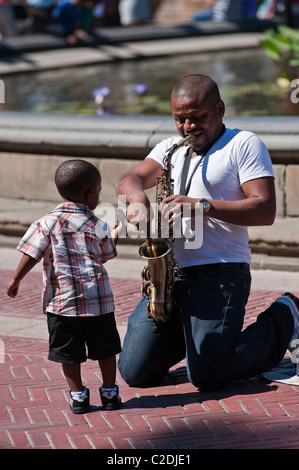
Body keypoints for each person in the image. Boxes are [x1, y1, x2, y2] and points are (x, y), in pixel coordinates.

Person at [115, 73, 299, 391]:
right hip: (170, 279)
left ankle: (287, 314)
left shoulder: (244, 144)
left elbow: (265, 209)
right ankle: (198, 338)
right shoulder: (170, 149)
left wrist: (201, 205)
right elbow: (129, 178)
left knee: (207, 375)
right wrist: (135, 200)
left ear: (220, 109)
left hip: (221, 273)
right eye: (180, 119)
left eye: (197, 118)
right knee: (134, 372)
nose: (188, 127)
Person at [6, 159, 122, 413]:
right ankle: (110, 392)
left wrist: (16, 278)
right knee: (106, 350)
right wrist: (113, 236)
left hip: (62, 305)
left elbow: (31, 253)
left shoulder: (46, 223)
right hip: (98, 304)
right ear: (90, 194)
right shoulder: (97, 225)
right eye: (99, 191)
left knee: (67, 353)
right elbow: (105, 255)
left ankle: (78, 394)